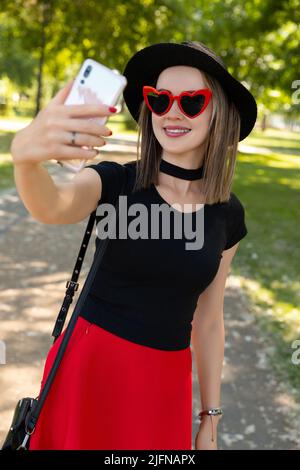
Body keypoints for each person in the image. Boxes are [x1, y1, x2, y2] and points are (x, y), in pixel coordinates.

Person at [10, 40, 257, 450]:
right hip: (90, 369)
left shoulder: (228, 214)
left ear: (220, 113)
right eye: (159, 100)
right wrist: (25, 160)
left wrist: (210, 419)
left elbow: (210, 319)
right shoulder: (117, 181)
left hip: (164, 383)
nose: (172, 111)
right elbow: (53, 205)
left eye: (192, 101)